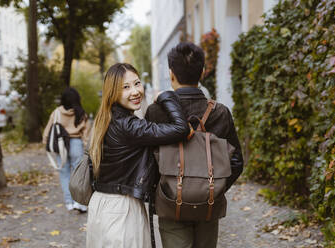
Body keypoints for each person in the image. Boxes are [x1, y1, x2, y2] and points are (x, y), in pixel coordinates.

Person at [145, 42, 244, 248]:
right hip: (208, 203)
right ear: (202, 73)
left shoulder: (156, 112)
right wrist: (214, 189)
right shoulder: (220, 112)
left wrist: (161, 191)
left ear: (171, 74)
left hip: (171, 203)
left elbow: (148, 162)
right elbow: (237, 161)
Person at [86, 63, 190, 248]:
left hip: (102, 206)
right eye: (125, 87)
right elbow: (181, 129)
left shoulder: (106, 119)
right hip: (122, 209)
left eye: (137, 83)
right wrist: (165, 96)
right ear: (113, 92)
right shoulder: (128, 126)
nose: (135, 91)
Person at [43, 87, 91, 212]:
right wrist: (87, 147)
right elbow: (86, 134)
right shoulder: (81, 113)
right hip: (76, 143)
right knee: (78, 174)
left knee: (64, 174)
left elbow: (48, 130)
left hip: (60, 145)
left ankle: (69, 202)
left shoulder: (57, 112)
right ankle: (79, 202)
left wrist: (46, 143)